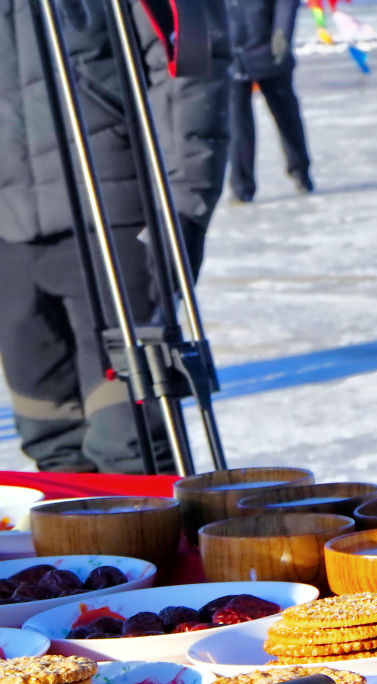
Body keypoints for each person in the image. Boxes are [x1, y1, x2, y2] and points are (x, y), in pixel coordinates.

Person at [0, 0, 231, 472]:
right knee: (50, 442)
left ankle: (147, 544)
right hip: (10, 239)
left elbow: (191, 63)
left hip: (116, 220)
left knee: (132, 444)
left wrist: (185, 206)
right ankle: (68, 547)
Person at [227, 0, 307, 200]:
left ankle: (300, 170)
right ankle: (241, 186)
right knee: (237, 125)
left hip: (267, 48)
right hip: (229, 54)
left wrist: (282, 33)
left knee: (286, 115)